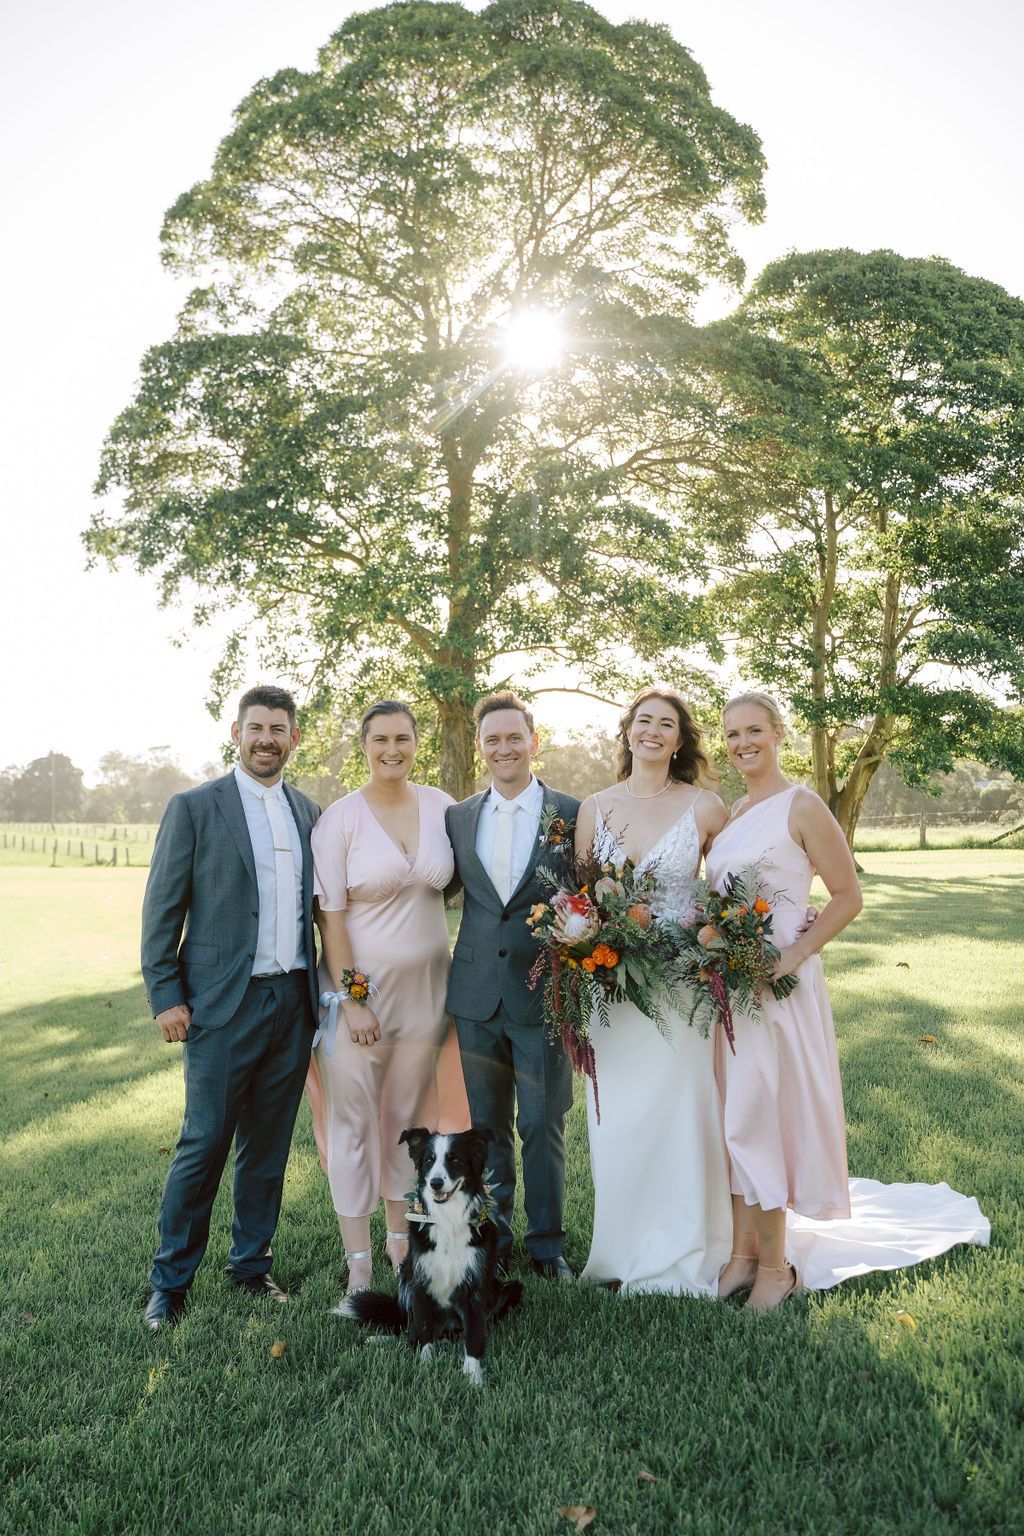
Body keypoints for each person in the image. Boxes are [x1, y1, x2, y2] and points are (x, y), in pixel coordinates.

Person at [709, 692, 989, 1309]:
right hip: (731, 987)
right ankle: (742, 1255)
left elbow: (846, 896)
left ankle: (778, 1269)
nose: (742, 743)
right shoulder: (733, 811)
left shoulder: (803, 805)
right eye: (731, 734)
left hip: (779, 984)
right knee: (735, 1115)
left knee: (763, 1116)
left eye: (754, 730)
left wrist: (789, 957)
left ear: (779, 732)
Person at [141, 685, 321, 1330]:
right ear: (237, 733)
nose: (267, 738)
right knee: (205, 1142)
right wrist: (167, 996)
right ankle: (170, 1283)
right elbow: (162, 908)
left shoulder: (309, 813)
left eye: (279, 728)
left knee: (267, 1149)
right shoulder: (194, 808)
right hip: (221, 1006)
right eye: (256, 728)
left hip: (293, 1002)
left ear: (293, 737)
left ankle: (251, 1266)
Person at [575, 686, 734, 1294]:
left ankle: (690, 1246)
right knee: (618, 1119)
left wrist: (717, 939)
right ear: (628, 731)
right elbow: (585, 899)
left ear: (679, 739)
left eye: (666, 724)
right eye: (644, 721)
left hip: (679, 989)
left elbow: (728, 889)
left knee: (682, 1113)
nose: (653, 731)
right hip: (612, 990)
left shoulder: (705, 807)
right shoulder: (596, 806)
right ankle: (619, 1250)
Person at [309, 701, 470, 1302]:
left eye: (402, 738)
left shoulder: (443, 806)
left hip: (428, 998)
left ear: (415, 742)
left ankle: (403, 1253)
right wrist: (354, 1001)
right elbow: (333, 920)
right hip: (361, 1002)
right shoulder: (341, 821)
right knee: (353, 1124)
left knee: (409, 1125)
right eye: (380, 739)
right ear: (365, 745)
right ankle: (358, 1266)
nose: (392, 749)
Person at [446, 691, 580, 1278]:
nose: (504, 748)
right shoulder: (457, 818)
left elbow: (595, 894)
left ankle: (547, 1246)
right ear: (480, 748)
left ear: (533, 740)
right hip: (475, 996)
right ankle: (494, 1238)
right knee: (488, 1127)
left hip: (544, 993)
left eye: (514, 737)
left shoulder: (571, 814)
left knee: (541, 1125)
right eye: (492, 739)